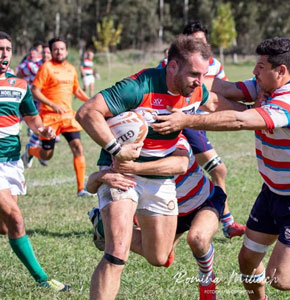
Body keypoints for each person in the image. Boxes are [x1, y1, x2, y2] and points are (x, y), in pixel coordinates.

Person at [153, 37, 290, 300]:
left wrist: (186, 120)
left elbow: (240, 120)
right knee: (248, 261)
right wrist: (172, 78)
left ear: (281, 71)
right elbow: (223, 87)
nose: (254, 71)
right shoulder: (265, 88)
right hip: (272, 194)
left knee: (279, 277)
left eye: (261, 66)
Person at [76, 35, 243, 300]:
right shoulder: (138, 87)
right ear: (172, 66)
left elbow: (216, 103)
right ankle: (111, 233)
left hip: (160, 176)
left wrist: (259, 110)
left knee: (159, 256)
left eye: (203, 74)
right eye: (194, 74)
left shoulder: (195, 91)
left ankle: (102, 226)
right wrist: (117, 150)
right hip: (120, 171)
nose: (199, 81)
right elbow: (87, 112)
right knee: (116, 253)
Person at [86, 134, 225, 299]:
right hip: (170, 211)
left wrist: (134, 168)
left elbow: (179, 165)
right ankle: (104, 227)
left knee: (198, 238)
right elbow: (92, 185)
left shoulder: (175, 141)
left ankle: (207, 278)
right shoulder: (130, 152)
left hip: (204, 201)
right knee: (161, 259)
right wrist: (102, 176)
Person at [0, 31, 71, 292]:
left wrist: (44, 131)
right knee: (17, 219)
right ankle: (43, 279)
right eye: (0, 48)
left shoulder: (19, 85)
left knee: (4, 228)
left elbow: (33, 120)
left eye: (8, 48)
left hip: (10, 162)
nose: (4, 53)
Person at [181, 21, 245, 239]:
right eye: (196, 40)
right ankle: (227, 222)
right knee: (218, 169)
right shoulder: (173, 63)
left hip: (201, 125)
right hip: (185, 124)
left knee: (180, 174)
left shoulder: (214, 64)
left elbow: (223, 94)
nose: (201, 44)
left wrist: (246, 107)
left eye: (203, 40)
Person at [21, 37, 92, 197]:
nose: (59, 51)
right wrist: (53, 105)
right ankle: (31, 151)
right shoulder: (46, 68)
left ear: (66, 51)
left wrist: (91, 101)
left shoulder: (72, 69)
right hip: (50, 118)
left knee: (78, 147)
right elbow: (35, 90)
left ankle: (81, 189)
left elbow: (77, 90)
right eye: (56, 49)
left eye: (62, 49)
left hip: (68, 117)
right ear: (51, 51)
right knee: (48, 155)